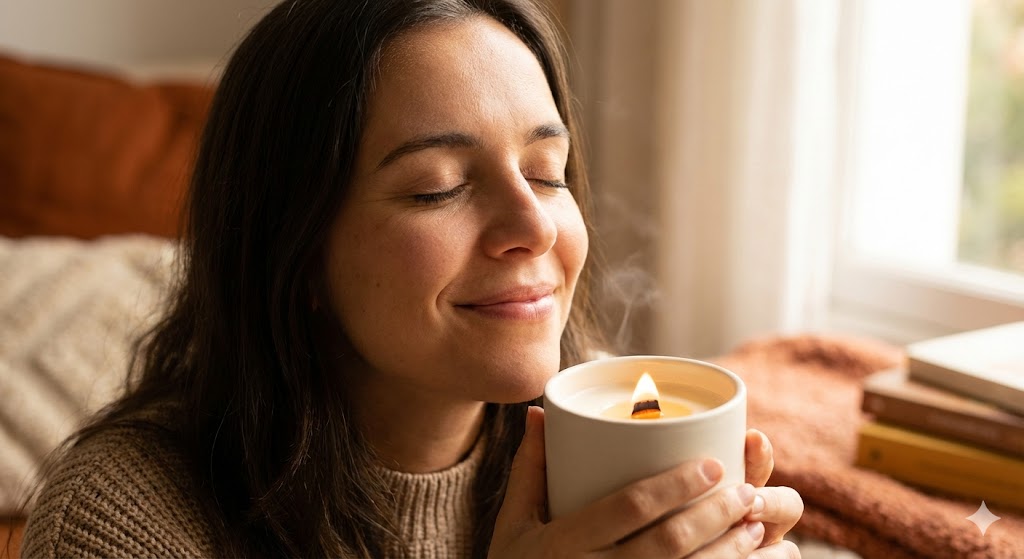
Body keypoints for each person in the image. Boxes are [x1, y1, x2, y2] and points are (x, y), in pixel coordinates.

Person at [22, 0, 803, 557]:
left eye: (546, 172)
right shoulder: (121, 520)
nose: (533, 226)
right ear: (295, 250)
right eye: (438, 187)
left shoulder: (606, 437)